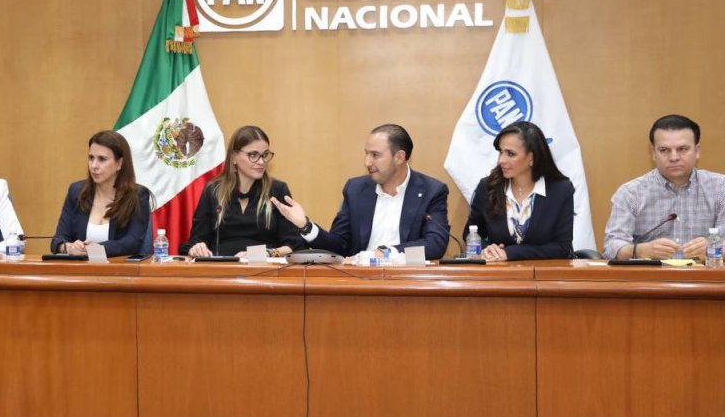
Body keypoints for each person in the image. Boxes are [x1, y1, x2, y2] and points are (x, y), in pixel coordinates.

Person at [271, 124, 451, 260]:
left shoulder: (432, 191)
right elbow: (338, 245)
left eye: (375, 155)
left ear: (399, 157)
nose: (367, 162)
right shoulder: (355, 189)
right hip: (360, 281)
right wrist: (306, 226)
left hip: (409, 282)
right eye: (366, 153)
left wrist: (387, 253)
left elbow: (435, 245)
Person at [604, 114, 725, 260]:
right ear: (653, 153)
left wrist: (717, 248)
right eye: (664, 150)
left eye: (682, 149)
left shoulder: (720, 188)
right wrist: (639, 250)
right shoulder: (631, 193)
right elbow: (611, 246)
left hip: (705, 274)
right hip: (650, 274)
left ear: (697, 151)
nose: (674, 157)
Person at [180, 125, 304, 258]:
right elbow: (197, 240)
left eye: (265, 155)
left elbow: (294, 244)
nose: (261, 161)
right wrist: (197, 248)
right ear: (234, 157)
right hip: (222, 267)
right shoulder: (213, 190)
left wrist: (262, 254)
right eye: (253, 155)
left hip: (263, 266)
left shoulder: (277, 190)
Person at [464, 121, 574, 261]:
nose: (502, 160)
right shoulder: (488, 187)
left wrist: (510, 253)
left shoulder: (560, 190)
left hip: (544, 272)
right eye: (501, 152)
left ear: (531, 158)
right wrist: (488, 249)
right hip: (498, 271)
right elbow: (470, 232)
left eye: (510, 154)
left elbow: (562, 247)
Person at [51, 130, 152, 257]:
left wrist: (96, 249)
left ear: (119, 163)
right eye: (91, 158)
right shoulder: (76, 192)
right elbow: (57, 240)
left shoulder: (138, 195)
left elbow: (132, 243)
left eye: (102, 159)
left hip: (118, 268)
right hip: (81, 268)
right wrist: (69, 248)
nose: (94, 165)